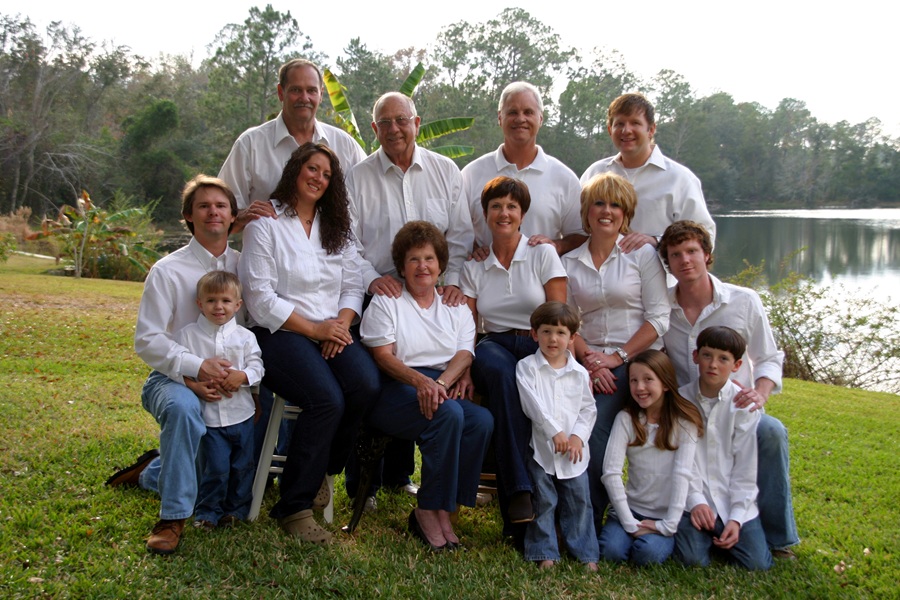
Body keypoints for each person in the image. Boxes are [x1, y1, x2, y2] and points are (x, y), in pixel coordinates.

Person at [238, 142, 379, 544]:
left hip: (332, 329)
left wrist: (342, 325)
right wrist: (315, 331)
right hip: (279, 333)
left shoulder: (335, 226)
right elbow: (260, 300)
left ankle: (319, 471)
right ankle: (294, 507)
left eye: (327, 174)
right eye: (312, 169)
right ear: (295, 170)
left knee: (365, 385)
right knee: (326, 398)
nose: (318, 178)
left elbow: (352, 283)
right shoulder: (265, 224)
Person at [344, 92, 474, 505]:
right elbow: (346, 241)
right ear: (374, 129)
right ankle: (363, 482)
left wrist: (450, 280)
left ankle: (400, 476)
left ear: (417, 122)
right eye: (386, 122)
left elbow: (461, 233)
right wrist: (370, 280)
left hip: (429, 292)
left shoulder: (443, 170)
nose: (395, 129)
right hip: (378, 292)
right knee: (370, 385)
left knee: (414, 370)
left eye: (402, 120)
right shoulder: (358, 177)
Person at [105, 174, 240, 555]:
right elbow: (147, 339)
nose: (213, 211)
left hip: (231, 380)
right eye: (203, 206)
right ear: (188, 216)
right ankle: (173, 518)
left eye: (221, 205)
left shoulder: (247, 267)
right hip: (170, 379)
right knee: (184, 410)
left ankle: (154, 471)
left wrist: (237, 378)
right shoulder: (167, 270)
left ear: (233, 216)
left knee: (225, 465)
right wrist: (194, 371)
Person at [659, 220, 799, 558]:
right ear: (668, 263)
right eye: (675, 254)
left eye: (692, 251)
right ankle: (691, 520)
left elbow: (768, 356)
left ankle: (778, 537)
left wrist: (760, 393)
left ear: (707, 255)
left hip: (735, 407)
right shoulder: (661, 306)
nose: (685, 260)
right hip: (687, 408)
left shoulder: (743, 300)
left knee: (772, 433)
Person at [360, 221, 493, 551]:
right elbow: (382, 356)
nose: (423, 266)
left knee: (480, 421)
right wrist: (421, 382)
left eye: (429, 259)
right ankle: (426, 510)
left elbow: (465, 352)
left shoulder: (455, 304)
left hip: (439, 383)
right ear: (402, 266)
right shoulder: (387, 301)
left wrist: (441, 383)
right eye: (414, 259)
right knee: (448, 414)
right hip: (394, 388)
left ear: (441, 265)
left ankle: (446, 508)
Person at [458, 176, 568, 531]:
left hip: (539, 344)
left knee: (524, 383)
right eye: (496, 206)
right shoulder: (475, 265)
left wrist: (553, 356)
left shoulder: (541, 253)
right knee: (505, 376)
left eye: (511, 207)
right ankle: (519, 492)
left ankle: (522, 517)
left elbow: (558, 315)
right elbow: (468, 324)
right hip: (494, 345)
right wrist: (463, 367)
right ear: (486, 213)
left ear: (522, 214)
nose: (503, 213)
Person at [562, 172, 669, 535]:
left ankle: (589, 521)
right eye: (599, 203)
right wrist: (591, 360)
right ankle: (570, 515)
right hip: (587, 360)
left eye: (615, 205)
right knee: (568, 424)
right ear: (586, 211)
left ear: (627, 213)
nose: (606, 211)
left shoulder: (642, 255)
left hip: (639, 361)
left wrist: (617, 358)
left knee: (594, 430)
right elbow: (567, 322)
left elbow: (659, 318)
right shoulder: (570, 261)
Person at [218, 58, 366, 233]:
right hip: (270, 256)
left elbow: (369, 198)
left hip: (332, 257)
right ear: (281, 92)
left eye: (311, 90)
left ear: (321, 94)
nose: (304, 98)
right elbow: (217, 213)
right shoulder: (251, 144)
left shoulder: (344, 145)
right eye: (296, 90)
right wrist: (242, 216)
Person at [674, 326, 773, 571]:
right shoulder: (680, 401)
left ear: (737, 365)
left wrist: (737, 517)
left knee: (757, 564)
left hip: (732, 501)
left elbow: (746, 468)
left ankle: (729, 531)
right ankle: (701, 537)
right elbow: (681, 461)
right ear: (695, 357)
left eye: (723, 359)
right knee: (691, 560)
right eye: (707, 355)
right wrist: (696, 501)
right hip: (694, 499)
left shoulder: (744, 405)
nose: (713, 365)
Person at [173, 271, 264, 529]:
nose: (219, 307)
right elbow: (177, 370)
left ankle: (235, 510)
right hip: (209, 418)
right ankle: (207, 512)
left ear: (238, 305)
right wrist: (195, 386)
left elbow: (258, 366)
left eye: (226, 301)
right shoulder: (188, 335)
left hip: (242, 414)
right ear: (200, 303)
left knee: (243, 466)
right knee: (215, 468)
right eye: (211, 300)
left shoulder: (246, 337)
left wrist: (242, 376)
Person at [599, 350, 703, 566]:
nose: (640, 388)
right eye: (634, 380)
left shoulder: (685, 423)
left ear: (665, 383)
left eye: (648, 380)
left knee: (648, 556)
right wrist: (629, 523)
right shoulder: (626, 419)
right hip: (631, 510)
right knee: (611, 552)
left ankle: (659, 539)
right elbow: (611, 474)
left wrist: (668, 525)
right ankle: (626, 534)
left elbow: (683, 474)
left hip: (665, 516)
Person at [516, 302, 598, 570]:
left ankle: (586, 554)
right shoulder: (527, 368)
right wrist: (554, 432)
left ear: (572, 338)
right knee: (545, 501)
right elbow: (533, 404)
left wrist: (577, 437)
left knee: (579, 503)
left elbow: (588, 408)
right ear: (534, 334)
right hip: (542, 450)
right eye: (547, 331)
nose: (553, 339)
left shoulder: (579, 373)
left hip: (574, 454)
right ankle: (544, 551)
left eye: (561, 333)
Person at [580, 93, 715, 253]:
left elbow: (704, 237)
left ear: (651, 129)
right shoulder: (594, 173)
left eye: (635, 123)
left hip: (657, 276)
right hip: (600, 275)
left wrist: (657, 241)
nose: (626, 130)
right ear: (610, 130)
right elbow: (577, 227)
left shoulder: (679, 179)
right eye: (619, 124)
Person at [461, 81, 585, 255]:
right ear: (499, 118)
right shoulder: (471, 174)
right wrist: (474, 251)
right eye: (512, 112)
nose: (520, 119)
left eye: (528, 112)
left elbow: (581, 235)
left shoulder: (564, 178)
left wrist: (557, 245)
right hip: (482, 279)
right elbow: (457, 232)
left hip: (541, 281)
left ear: (540, 118)